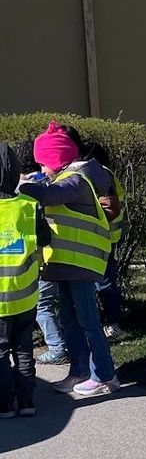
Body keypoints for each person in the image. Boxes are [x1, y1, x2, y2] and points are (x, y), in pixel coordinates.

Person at [18, 122, 120, 397]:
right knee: (69, 320)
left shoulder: (77, 180)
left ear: (57, 159)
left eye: (43, 164)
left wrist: (20, 186)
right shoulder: (63, 178)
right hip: (63, 263)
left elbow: (51, 195)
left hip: (81, 264)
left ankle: (104, 375)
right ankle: (79, 371)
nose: (41, 171)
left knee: (88, 320)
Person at [0, 144, 52, 416]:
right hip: (25, 294)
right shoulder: (28, 206)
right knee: (23, 349)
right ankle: (27, 401)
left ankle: (5, 403)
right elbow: (45, 238)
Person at [14, 140, 69, 366]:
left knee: (42, 304)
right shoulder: (49, 183)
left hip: (40, 259)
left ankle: (57, 347)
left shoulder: (24, 191)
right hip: (54, 253)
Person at [84, 141, 126, 339]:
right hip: (107, 236)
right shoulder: (105, 173)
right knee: (104, 283)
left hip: (102, 237)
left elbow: (107, 207)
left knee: (104, 284)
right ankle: (109, 322)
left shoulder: (100, 175)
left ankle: (111, 323)